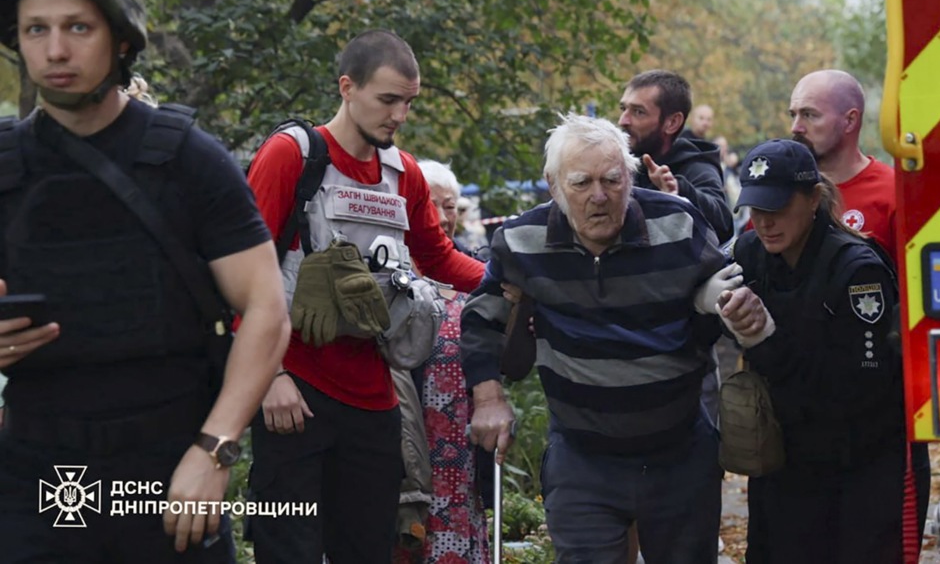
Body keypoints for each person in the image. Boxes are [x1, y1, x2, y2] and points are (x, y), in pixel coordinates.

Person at [0, 0, 290, 563]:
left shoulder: (187, 160)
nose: (54, 49)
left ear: (121, 36)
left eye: (78, 27)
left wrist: (215, 451)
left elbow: (267, 308)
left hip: (168, 472)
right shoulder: (4, 168)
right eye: (35, 30)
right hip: (36, 478)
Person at [245, 29, 485, 564]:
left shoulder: (406, 174)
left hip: (376, 398)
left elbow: (440, 258)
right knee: (288, 551)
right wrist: (270, 377)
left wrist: (511, 282)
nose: (399, 115)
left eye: (409, 102)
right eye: (388, 100)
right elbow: (242, 269)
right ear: (347, 88)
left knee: (367, 551)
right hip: (294, 395)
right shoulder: (292, 155)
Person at [461, 113, 739, 564]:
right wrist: (488, 396)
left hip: (679, 453)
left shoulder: (679, 224)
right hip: (582, 457)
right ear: (553, 185)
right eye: (581, 182)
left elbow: (724, 309)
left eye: (612, 180)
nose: (599, 197)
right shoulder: (521, 240)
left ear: (629, 176)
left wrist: (727, 305)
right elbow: (480, 318)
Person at [724, 139, 922, 564]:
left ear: (813, 199)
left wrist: (765, 339)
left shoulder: (857, 269)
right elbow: (698, 285)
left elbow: (858, 388)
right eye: (756, 210)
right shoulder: (750, 254)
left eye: (776, 209)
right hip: (786, 463)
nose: (764, 222)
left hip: (862, 464)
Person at [393, 159, 489, 564]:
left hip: (459, 461)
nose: (444, 218)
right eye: (433, 206)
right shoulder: (387, 273)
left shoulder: (471, 276)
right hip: (399, 453)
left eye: (451, 207)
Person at [788, 70, 895, 261]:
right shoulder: (781, 190)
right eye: (793, 115)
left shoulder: (892, 193)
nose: (796, 127)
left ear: (850, 121)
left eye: (809, 115)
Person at [617, 71, 733, 243]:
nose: (623, 120)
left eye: (638, 112)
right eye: (623, 109)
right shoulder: (615, 161)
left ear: (672, 123)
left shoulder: (694, 165)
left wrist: (678, 192)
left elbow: (723, 225)